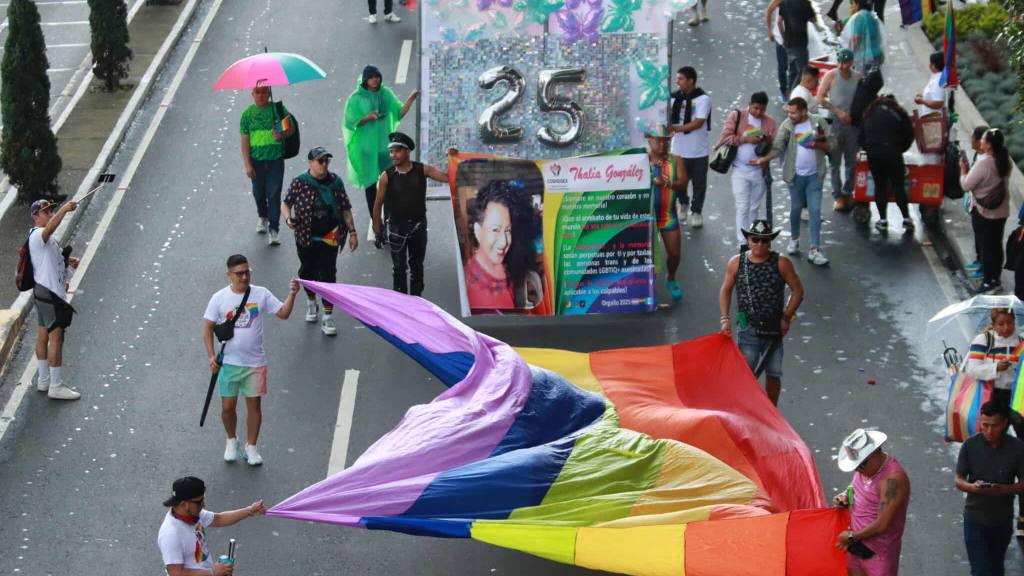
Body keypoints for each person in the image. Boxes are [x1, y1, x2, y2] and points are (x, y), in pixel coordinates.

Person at [202, 254, 298, 466]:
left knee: (254, 406)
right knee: (228, 407)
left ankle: (251, 447)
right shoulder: (219, 298)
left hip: (255, 363)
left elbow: (283, 313)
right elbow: (207, 328)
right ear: (229, 275)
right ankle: (231, 440)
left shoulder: (260, 294)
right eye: (239, 273)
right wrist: (211, 356)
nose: (244, 277)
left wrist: (292, 294)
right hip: (229, 363)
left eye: (247, 272)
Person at [718, 220, 804, 405]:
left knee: (773, 374)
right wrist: (725, 319)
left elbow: (798, 290)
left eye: (764, 241)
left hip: (774, 329)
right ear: (748, 239)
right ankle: (745, 411)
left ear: (770, 242)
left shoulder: (782, 263)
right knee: (745, 375)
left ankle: (772, 412)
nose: (759, 244)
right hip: (747, 327)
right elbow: (726, 290)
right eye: (755, 239)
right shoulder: (736, 262)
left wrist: (786, 317)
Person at [282, 147, 358, 336]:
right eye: (320, 161)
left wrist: (353, 232)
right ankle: (310, 303)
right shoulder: (300, 182)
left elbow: (345, 208)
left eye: (326, 161)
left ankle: (328, 316)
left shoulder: (335, 182)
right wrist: (287, 218)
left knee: (328, 274)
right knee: (307, 272)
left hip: (330, 237)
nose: (324, 165)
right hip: (305, 236)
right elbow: (286, 202)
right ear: (310, 163)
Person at [343, 65, 419, 243]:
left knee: (390, 187)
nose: (375, 80)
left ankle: (389, 221)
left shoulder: (386, 94)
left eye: (377, 76)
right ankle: (378, 227)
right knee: (371, 188)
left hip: (385, 150)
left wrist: (411, 99)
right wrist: (366, 118)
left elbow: (399, 112)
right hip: (366, 151)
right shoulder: (356, 99)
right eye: (371, 77)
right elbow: (349, 122)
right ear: (365, 80)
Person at [753, 97, 833, 266]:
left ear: (804, 111)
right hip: (795, 177)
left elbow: (831, 145)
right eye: (789, 112)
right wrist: (764, 159)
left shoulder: (818, 122)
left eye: (794, 112)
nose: (790, 115)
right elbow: (778, 147)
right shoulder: (787, 125)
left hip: (815, 176)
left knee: (815, 210)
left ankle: (814, 249)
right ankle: (794, 239)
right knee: (796, 209)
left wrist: (817, 144)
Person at [372, 132, 450, 296]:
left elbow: (448, 178)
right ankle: (401, 306)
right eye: (391, 151)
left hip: (418, 228)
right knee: (399, 269)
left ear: (407, 151)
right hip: (395, 229)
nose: (393, 155)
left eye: (397, 150)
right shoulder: (386, 176)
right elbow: (378, 204)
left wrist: (452, 157)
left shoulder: (423, 170)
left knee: (417, 267)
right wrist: (377, 231)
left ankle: (416, 303)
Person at [955, 401, 1024, 574]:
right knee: (980, 569)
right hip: (974, 519)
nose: (989, 431)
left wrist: (1002, 489)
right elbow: (959, 479)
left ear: (1005, 424)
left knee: (995, 567)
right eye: (984, 425)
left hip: (1002, 520)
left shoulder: (1017, 449)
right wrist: (972, 487)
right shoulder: (970, 446)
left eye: (994, 426)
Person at [833, 428, 911, 576]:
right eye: (855, 467)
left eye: (861, 465)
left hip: (878, 553)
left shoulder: (892, 480)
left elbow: (883, 524)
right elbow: (856, 488)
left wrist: (851, 537)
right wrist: (845, 496)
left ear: (874, 453)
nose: (858, 470)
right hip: (856, 546)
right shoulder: (865, 469)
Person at [157, 476, 266, 576]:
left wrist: (249, 511)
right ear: (183, 504)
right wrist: (212, 572)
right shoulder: (170, 535)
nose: (203, 505)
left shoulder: (193, 514)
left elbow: (219, 519)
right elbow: (176, 574)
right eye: (199, 502)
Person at [28, 199, 81, 400]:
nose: (49, 213)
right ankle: (56, 386)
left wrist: (67, 262)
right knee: (56, 338)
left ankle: (43, 380)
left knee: (42, 336)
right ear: (35, 216)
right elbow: (50, 228)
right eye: (45, 212)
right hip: (50, 294)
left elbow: (49, 259)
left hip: (42, 292)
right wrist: (64, 210)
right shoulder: (37, 235)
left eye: (51, 210)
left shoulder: (46, 240)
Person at [463, 179, 543, 310]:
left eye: (507, 230)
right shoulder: (476, 292)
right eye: (495, 230)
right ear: (478, 231)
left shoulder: (503, 265)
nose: (504, 242)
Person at [715, 93, 777, 249]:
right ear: (749, 104)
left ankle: (751, 238)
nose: (758, 112)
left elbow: (775, 149)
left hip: (759, 172)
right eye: (755, 108)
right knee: (742, 206)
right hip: (740, 170)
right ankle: (743, 242)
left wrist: (768, 143)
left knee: (754, 207)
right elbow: (724, 138)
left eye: (762, 110)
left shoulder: (770, 123)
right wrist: (745, 139)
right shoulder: (737, 116)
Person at [239, 86, 295, 246]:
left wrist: (281, 133)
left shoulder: (277, 110)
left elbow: (290, 128)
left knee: (273, 194)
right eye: (258, 92)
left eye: (264, 92)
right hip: (256, 162)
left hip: (275, 160)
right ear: (252, 95)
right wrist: (247, 164)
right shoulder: (247, 115)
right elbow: (244, 140)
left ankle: (274, 229)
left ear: (269, 93)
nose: (261, 95)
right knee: (258, 193)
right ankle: (262, 215)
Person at [961, 128, 1012, 294]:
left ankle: (989, 281)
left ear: (989, 145)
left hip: (984, 212)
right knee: (996, 245)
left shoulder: (984, 164)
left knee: (986, 247)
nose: (981, 142)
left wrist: (963, 170)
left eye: (983, 139)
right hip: (1001, 211)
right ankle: (995, 279)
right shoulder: (1005, 161)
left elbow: (966, 185)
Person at [860, 94, 915, 232]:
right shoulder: (899, 113)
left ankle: (883, 220)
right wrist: (899, 149)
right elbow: (909, 134)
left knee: (880, 185)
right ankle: (906, 219)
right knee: (898, 185)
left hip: (874, 153)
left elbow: (861, 136)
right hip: (893, 152)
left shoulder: (869, 112)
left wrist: (870, 149)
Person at [646, 124, 689, 300]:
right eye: (660, 142)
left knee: (675, 254)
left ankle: (671, 278)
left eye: (667, 142)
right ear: (650, 141)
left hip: (667, 215)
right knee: (645, 258)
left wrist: (666, 184)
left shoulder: (675, 160)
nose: (664, 146)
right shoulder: (640, 160)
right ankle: (646, 286)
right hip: (646, 218)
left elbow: (684, 182)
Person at [817, 48, 862, 212]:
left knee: (852, 161)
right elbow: (820, 97)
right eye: (840, 62)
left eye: (845, 62)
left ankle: (848, 191)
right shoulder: (831, 76)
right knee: (835, 162)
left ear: (851, 63)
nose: (842, 66)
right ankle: (837, 195)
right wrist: (837, 111)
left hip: (852, 124)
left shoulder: (857, 77)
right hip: (835, 123)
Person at [669, 66, 711, 228]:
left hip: (698, 150)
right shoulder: (672, 98)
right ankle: (683, 203)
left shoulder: (702, 99)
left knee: (699, 184)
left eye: (680, 79)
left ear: (690, 81)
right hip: (678, 149)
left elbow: (698, 122)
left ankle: (696, 211)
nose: (677, 82)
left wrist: (676, 129)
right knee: (679, 181)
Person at [769, 0, 816, 93]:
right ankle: (794, 97)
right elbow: (813, 20)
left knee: (792, 72)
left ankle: (789, 96)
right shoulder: (805, 3)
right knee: (802, 73)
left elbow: (779, 22)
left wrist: (784, 38)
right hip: (800, 43)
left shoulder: (784, 2)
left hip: (789, 44)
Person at [965, 125, 991, 278]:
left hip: (985, 205)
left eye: (973, 137)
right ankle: (979, 259)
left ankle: (985, 270)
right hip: (976, 202)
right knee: (978, 234)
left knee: (986, 238)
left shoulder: (987, 161)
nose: (971, 140)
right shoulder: (978, 156)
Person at [914, 51, 948, 165]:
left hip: (935, 122)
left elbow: (938, 102)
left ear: (933, 65)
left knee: (933, 154)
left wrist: (922, 101)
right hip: (929, 121)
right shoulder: (935, 78)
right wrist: (923, 97)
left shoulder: (939, 79)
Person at [840, 0, 886, 75]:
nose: (852, 6)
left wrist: (846, 53)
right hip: (878, 55)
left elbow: (856, 39)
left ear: (858, 4)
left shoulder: (859, 17)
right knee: (874, 82)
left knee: (866, 83)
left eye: (853, 3)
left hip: (867, 59)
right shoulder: (872, 15)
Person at [766, 0, 789, 103]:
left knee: (795, 68)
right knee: (783, 66)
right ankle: (784, 91)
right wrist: (769, 31)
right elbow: (769, 10)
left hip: (796, 40)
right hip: (781, 39)